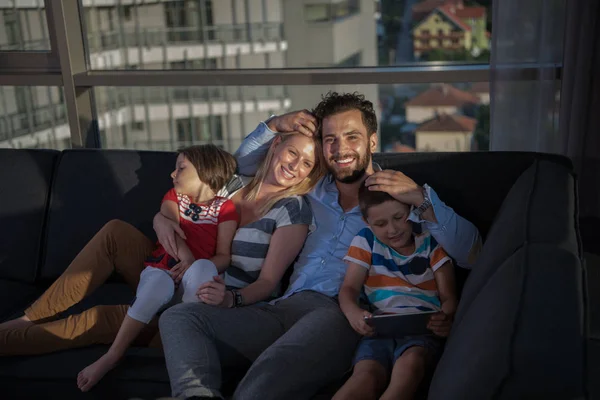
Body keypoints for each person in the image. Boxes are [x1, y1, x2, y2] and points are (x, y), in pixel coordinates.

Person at [157, 92, 482, 400]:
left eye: (352, 136)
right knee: (180, 319)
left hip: (338, 314)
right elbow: (244, 166)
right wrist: (275, 125)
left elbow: (472, 254)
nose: (340, 149)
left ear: (372, 141)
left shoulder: (396, 201)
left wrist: (423, 201)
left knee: (265, 378)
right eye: (331, 139)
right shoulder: (310, 187)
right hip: (282, 307)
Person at [0, 132, 324, 388]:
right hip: (176, 269)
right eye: (293, 152)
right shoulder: (234, 183)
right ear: (277, 145)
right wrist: (161, 219)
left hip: (208, 303)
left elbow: (268, 283)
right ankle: (31, 316)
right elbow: (181, 199)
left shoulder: (292, 209)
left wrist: (230, 299)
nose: (295, 165)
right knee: (116, 233)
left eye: (307, 163)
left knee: (104, 318)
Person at [76, 145, 240, 392]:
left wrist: (193, 266)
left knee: (205, 268)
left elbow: (224, 256)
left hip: (192, 282)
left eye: (181, 168)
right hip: (164, 269)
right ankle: (112, 355)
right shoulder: (173, 197)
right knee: (158, 283)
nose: (172, 174)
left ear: (206, 172)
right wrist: (186, 259)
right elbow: (170, 234)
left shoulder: (225, 209)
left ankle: (182, 339)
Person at [333, 183, 457, 400]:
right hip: (380, 330)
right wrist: (353, 313)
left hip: (422, 330)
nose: (392, 230)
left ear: (411, 210)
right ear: (367, 223)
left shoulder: (430, 241)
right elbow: (349, 289)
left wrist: (445, 318)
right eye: (380, 224)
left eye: (399, 218)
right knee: (365, 376)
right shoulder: (366, 240)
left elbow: (449, 297)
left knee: (410, 365)